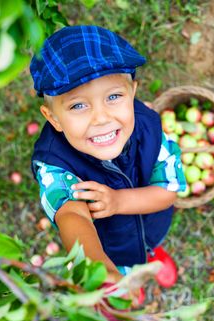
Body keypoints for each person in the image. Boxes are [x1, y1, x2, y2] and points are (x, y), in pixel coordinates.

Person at [30, 25, 186, 287]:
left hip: (150, 223)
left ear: (132, 93)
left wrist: (117, 202)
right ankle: (124, 271)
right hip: (108, 247)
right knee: (121, 269)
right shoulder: (54, 165)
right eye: (78, 105)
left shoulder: (149, 128)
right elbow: (73, 215)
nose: (101, 118)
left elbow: (168, 190)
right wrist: (98, 268)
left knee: (149, 243)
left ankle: (150, 254)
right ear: (53, 118)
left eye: (114, 96)